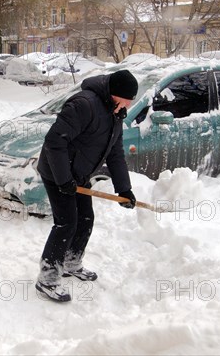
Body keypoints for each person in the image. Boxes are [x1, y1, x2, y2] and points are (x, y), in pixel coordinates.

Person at [35, 69, 139, 302]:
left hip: (79, 174)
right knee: (66, 222)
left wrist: (124, 188)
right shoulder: (84, 105)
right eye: (128, 100)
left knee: (85, 219)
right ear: (115, 94)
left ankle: (71, 262)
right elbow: (54, 142)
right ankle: (47, 279)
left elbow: (115, 153)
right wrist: (63, 180)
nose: (129, 105)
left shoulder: (115, 113)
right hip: (56, 172)